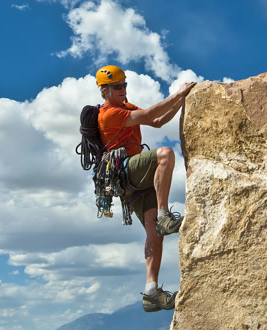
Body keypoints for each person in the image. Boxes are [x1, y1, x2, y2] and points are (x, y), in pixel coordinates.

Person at [95, 65, 196, 312]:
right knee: (164, 154)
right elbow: (150, 113)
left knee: (155, 235)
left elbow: (158, 120)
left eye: (124, 85)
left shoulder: (126, 107)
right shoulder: (108, 114)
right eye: (118, 87)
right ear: (105, 91)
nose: (123, 90)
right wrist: (178, 94)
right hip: (127, 170)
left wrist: (181, 103)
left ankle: (151, 292)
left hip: (133, 183)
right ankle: (164, 215)